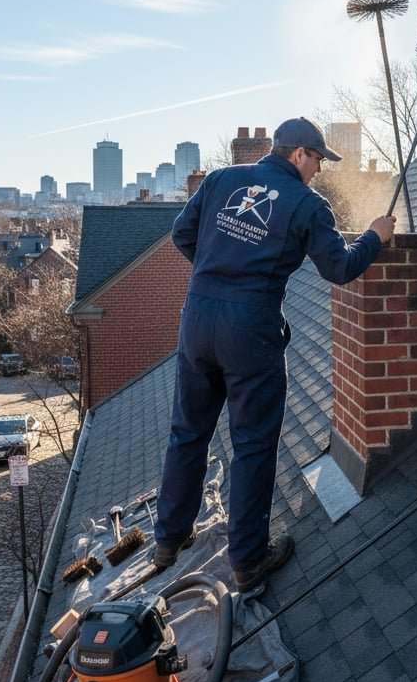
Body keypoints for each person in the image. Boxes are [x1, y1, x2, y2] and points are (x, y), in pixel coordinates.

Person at [153, 116, 397, 592]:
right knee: (252, 445)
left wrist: (217, 273)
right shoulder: (307, 204)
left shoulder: (222, 179)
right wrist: (374, 237)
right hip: (251, 331)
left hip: (198, 319)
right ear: (299, 155)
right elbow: (341, 267)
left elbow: (182, 234)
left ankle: (169, 539)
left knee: (187, 432)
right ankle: (247, 560)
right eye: (319, 161)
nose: (321, 171)